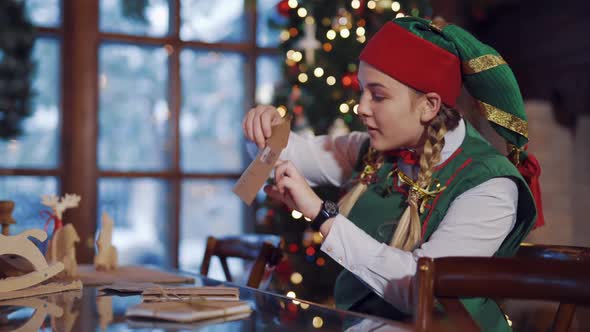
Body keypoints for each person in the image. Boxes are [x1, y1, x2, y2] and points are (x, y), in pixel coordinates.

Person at [242, 17, 542, 332]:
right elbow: (286, 154)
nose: (361, 107)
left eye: (378, 95)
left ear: (429, 105)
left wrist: (322, 216)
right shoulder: (369, 152)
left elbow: (421, 289)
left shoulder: (490, 184)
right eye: (362, 91)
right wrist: (262, 129)